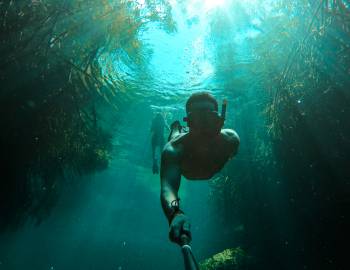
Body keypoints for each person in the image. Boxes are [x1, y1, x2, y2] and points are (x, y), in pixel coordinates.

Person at [160, 92, 240, 245]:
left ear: (219, 120)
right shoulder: (174, 150)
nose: (204, 126)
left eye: (208, 118)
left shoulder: (231, 140)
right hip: (182, 141)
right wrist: (175, 213)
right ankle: (176, 129)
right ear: (189, 122)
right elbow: (168, 188)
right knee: (174, 137)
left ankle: (178, 129)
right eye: (197, 120)